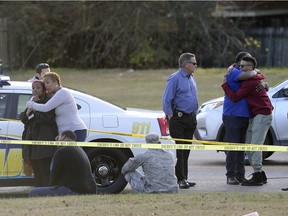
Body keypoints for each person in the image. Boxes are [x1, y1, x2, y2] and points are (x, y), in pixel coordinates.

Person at [222, 56, 272, 186]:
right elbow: (256, 73)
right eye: (240, 65)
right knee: (246, 146)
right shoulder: (234, 72)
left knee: (253, 145)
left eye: (244, 66)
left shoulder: (250, 80)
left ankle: (257, 175)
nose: (241, 68)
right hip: (244, 115)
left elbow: (236, 96)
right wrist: (259, 76)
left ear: (251, 67)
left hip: (260, 114)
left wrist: (224, 85)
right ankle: (253, 174)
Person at [162, 52, 198, 189]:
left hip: (190, 118)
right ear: (186, 64)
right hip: (179, 118)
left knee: (186, 149)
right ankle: (180, 178)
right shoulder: (175, 78)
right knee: (180, 150)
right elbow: (166, 99)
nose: (196, 66)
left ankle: (185, 178)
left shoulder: (190, 78)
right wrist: (171, 117)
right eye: (194, 63)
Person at [222, 51, 256, 185]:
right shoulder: (234, 72)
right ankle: (230, 175)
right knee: (233, 147)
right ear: (239, 63)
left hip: (243, 115)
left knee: (241, 147)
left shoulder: (237, 70)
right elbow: (250, 74)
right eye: (247, 62)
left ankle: (240, 174)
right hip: (232, 115)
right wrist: (254, 71)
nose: (250, 64)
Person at [29, 130, 97, 197]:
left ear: (63, 137)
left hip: (74, 190)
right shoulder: (79, 149)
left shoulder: (62, 151)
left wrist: (51, 188)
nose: (56, 141)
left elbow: (54, 175)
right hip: (88, 190)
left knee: (33, 192)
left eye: (58, 138)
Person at [26, 72, 87, 141]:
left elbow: (45, 108)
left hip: (76, 131)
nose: (46, 86)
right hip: (64, 133)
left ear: (55, 83)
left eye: (48, 82)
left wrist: (30, 104)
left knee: (72, 152)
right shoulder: (54, 95)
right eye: (44, 83)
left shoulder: (63, 92)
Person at [20, 80, 58, 186]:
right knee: (37, 174)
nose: (35, 90)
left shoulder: (48, 103)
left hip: (44, 146)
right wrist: (30, 108)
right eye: (33, 88)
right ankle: (39, 193)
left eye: (38, 88)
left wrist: (35, 107)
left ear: (44, 90)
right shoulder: (32, 102)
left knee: (45, 172)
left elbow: (46, 119)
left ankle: (47, 193)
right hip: (33, 147)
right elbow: (24, 119)